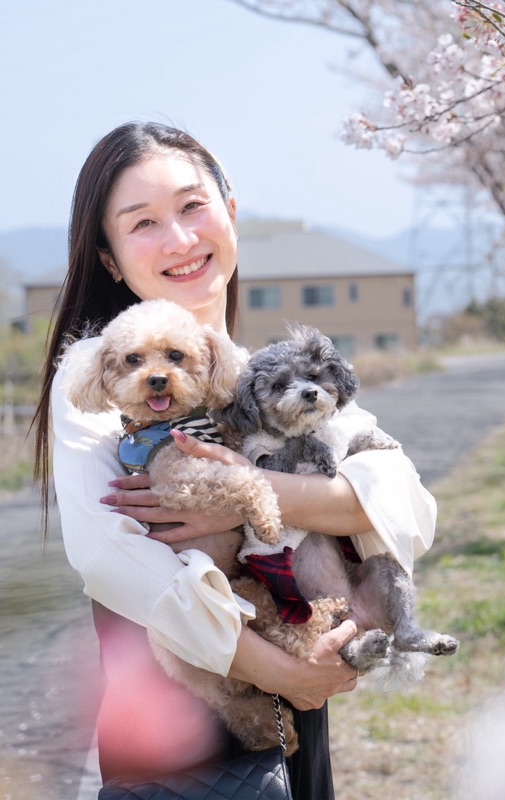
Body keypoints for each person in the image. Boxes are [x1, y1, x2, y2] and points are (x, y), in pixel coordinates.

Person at [32, 121, 436, 798]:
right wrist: (278, 672)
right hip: (178, 748)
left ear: (231, 213)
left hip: (297, 730)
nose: (182, 240)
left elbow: (406, 499)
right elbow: (114, 560)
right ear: (108, 259)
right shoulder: (98, 374)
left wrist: (252, 486)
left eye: (193, 207)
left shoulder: (259, 373)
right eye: (143, 223)